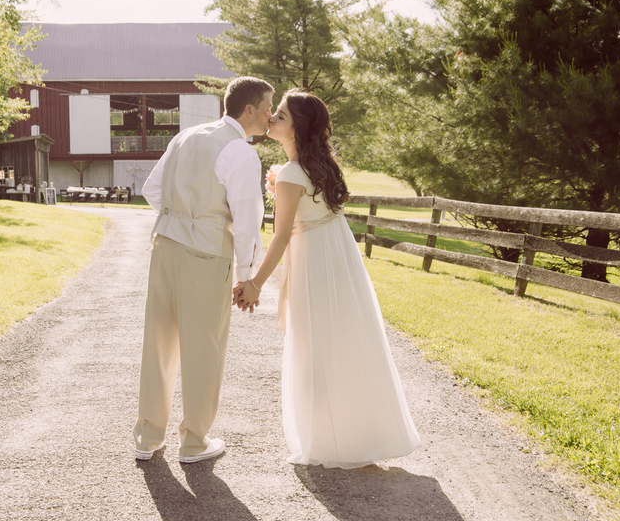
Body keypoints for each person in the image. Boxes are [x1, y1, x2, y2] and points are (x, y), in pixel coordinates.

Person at [234, 89, 421, 468]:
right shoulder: (315, 166)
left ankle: (330, 440)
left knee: (317, 346)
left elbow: (282, 235)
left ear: (298, 129)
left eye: (281, 116)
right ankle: (358, 433)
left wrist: (254, 283)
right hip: (338, 253)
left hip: (315, 260)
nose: (272, 120)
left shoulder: (289, 173)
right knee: (343, 341)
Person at [134, 77, 273, 463]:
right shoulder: (242, 152)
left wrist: (179, 220)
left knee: (158, 339)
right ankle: (194, 442)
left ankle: (147, 437)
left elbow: (151, 189)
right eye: (266, 109)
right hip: (206, 253)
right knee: (203, 347)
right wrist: (247, 276)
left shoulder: (186, 136)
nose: (269, 116)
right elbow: (247, 222)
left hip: (164, 247)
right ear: (248, 110)